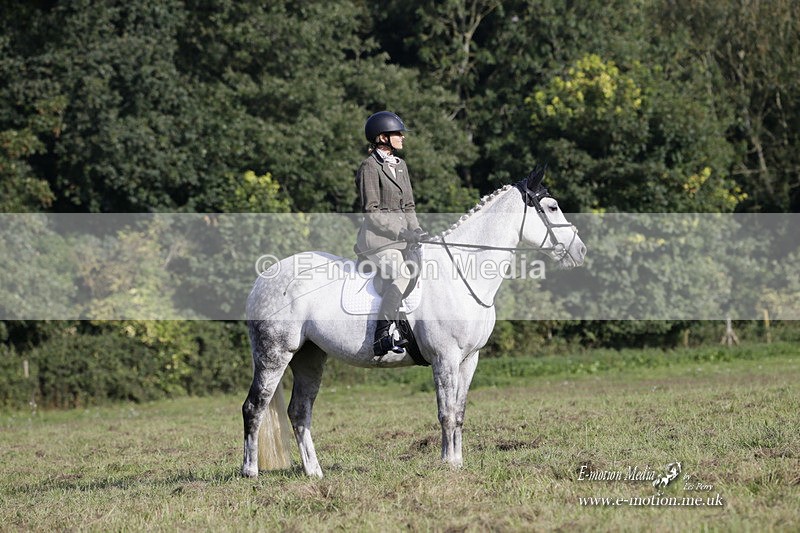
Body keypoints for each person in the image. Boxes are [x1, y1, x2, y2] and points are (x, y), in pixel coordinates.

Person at [355, 111, 427, 357]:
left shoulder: (401, 166)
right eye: (398, 133)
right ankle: (382, 334)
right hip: (377, 242)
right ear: (382, 137)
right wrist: (402, 231)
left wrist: (415, 229)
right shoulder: (369, 167)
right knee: (403, 272)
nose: (402, 137)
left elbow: (408, 206)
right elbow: (371, 212)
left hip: (403, 239)